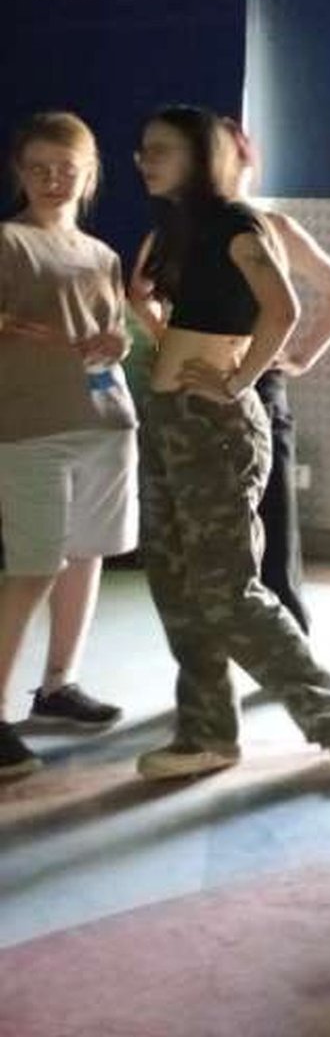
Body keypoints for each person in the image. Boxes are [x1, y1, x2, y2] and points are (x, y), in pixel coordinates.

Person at [130, 105, 330, 781]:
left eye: (162, 150)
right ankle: (206, 733)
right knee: (177, 584)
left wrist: (238, 382)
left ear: (200, 157)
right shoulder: (183, 230)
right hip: (170, 417)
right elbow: (172, 313)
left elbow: (284, 308)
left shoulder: (237, 224)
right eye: (143, 150)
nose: (145, 161)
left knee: (229, 590)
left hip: (212, 427)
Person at [0, 114, 137, 781]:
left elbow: (112, 331)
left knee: (86, 555)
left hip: (105, 422)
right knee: (33, 566)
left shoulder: (102, 254)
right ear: (18, 172)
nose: (53, 181)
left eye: (67, 170)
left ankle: (59, 684)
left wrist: (120, 341)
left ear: (89, 176)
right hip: (31, 427)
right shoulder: (9, 242)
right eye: (39, 168)